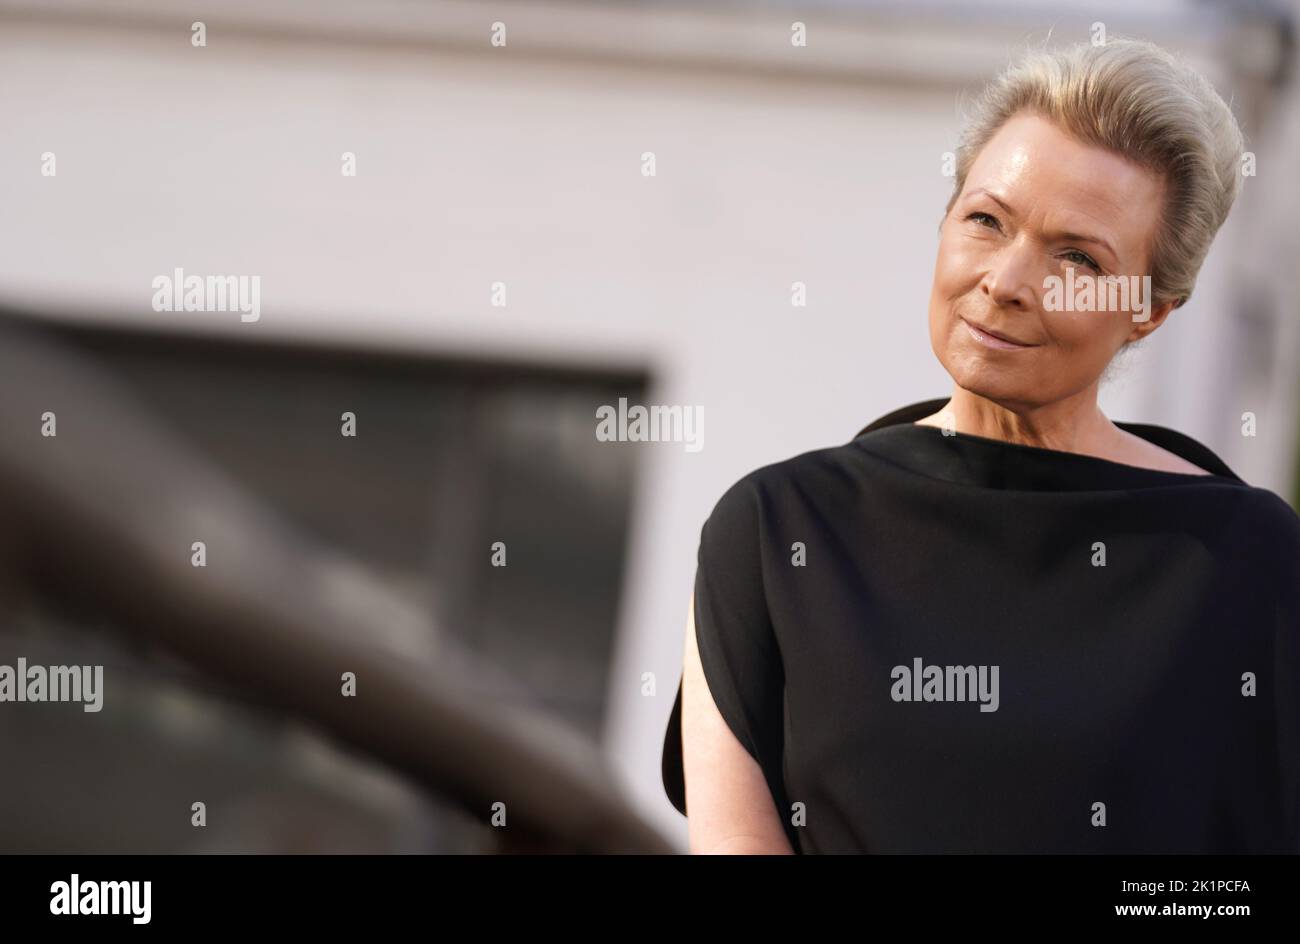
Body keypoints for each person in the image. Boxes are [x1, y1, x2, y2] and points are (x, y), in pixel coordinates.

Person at [660, 37, 1300, 854]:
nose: (1005, 281)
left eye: (1076, 257)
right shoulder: (774, 532)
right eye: (986, 221)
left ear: (1152, 309)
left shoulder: (1242, 559)